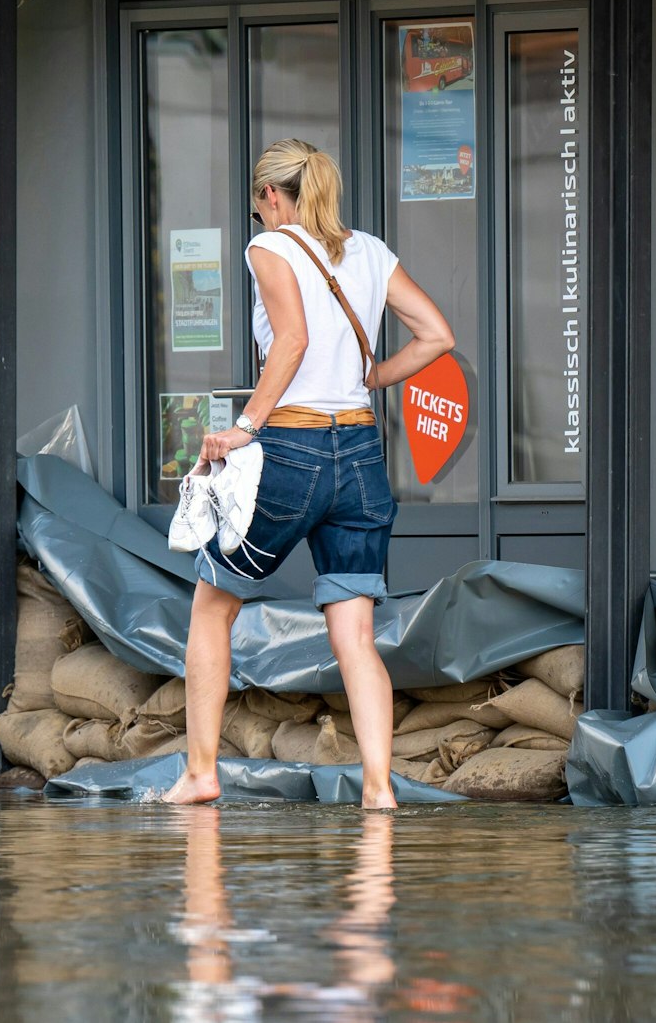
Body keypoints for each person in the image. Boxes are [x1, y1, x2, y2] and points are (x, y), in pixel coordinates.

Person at [162, 139, 455, 811]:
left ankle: (202, 772)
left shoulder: (271, 248)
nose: (260, 218)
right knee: (354, 634)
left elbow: (290, 339)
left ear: (271, 195)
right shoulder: (372, 252)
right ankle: (379, 789)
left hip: (291, 452)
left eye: (259, 205)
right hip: (359, 455)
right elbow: (437, 334)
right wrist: (370, 377)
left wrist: (247, 426)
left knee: (213, 606)